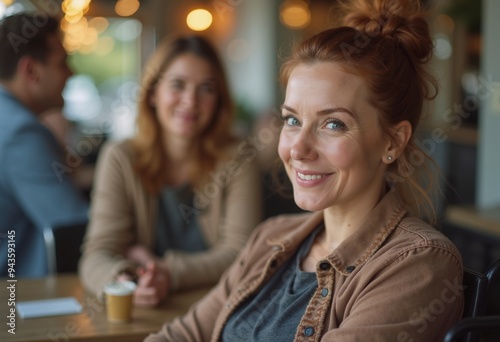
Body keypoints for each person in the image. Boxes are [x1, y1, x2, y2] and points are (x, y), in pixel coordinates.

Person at [144, 0, 464, 340]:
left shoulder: (418, 264)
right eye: (293, 120)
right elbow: (185, 333)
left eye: (333, 125)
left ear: (393, 142)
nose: (298, 148)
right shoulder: (271, 237)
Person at [78, 34, 263, 307]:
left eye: (207, 88)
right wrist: (124, 282)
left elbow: (242, 253)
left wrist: (165, 271)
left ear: (219, 100)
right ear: (153, 93)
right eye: (178, 85)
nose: (190, 101)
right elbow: (97, 254)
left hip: (220, 310)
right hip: (146, 314)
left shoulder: (238, 158)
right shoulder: (120, 157)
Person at [0, 12, 89, 278]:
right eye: (62, 63)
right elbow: (73, 224)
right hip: (13, 300)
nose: (71, 73)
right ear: (31, 70)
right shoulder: (20, 132)